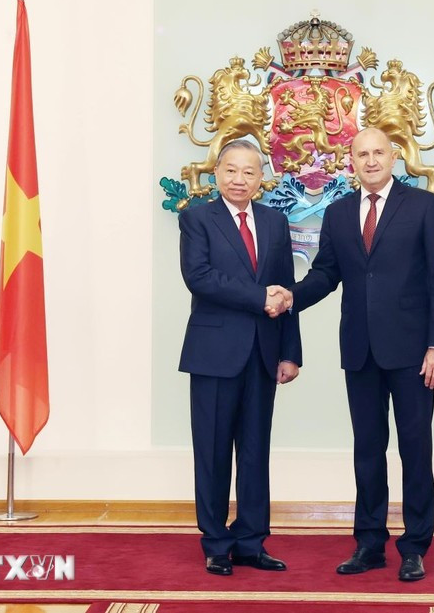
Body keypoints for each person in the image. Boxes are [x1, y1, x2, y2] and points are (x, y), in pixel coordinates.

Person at [271, 127, 434, 581]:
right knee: (367, 450)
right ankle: (370, 544)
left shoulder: (425, 207)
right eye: (362, 154)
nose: (371, 160)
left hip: (415, 353)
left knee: (415, 449)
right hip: (359, 350)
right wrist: (291, 295)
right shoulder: (336, 214)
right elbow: (325, 274)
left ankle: (414, 546)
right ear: (350, 161)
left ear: (394, 157)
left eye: (378, 153)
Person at [178, 139, 302, 576]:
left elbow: (285, 289)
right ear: (217, 173)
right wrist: (258, 297)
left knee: (255, 451)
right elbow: (200, 278)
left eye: (249, 172)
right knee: (212, 452)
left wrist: (290, 352)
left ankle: (250, 541)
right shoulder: (196, 218)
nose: (239, 179)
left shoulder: (273, 221)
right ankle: (215, 542)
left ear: (260, 178)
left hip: (263, 354)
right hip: (214, 354)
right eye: (231, 170)